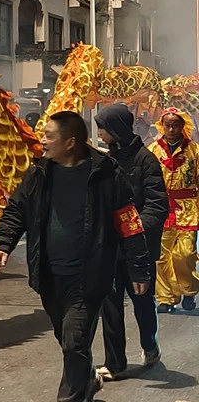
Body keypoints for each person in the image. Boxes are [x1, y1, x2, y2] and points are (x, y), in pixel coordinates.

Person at [0, 111, 150, 402]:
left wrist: (140, 269)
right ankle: (87, 377)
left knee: (75, 342)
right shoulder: (38, 173)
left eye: (49, 135)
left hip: (88, 277)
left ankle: (72, 396)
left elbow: (129, 224)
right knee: (67, 341)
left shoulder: (106, 174)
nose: (42, 141)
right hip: (50, 276)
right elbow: (16, 211)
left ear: (70, 142)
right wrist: (3, 244)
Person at [94, 104, 168, 380]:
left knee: (143, 304)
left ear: (116, 129)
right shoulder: (104, 161)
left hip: (140, 249)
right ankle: (115, 363)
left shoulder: (146, 161)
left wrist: (133, 229)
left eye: (103, 127)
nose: (100, 132)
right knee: (110, 305)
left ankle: (150, 344)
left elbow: (157, 206)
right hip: (110, 248)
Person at [147, 107, 199, 313]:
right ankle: (166, 298)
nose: (171, 129)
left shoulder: (194, 151)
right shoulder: (153, 150)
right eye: (167, 125)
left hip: (188, 208)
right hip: (161, 209)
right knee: (161, 256)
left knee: (185, 253)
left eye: (175, 125)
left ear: (181, 126)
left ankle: (189, 290)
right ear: (162, 126)